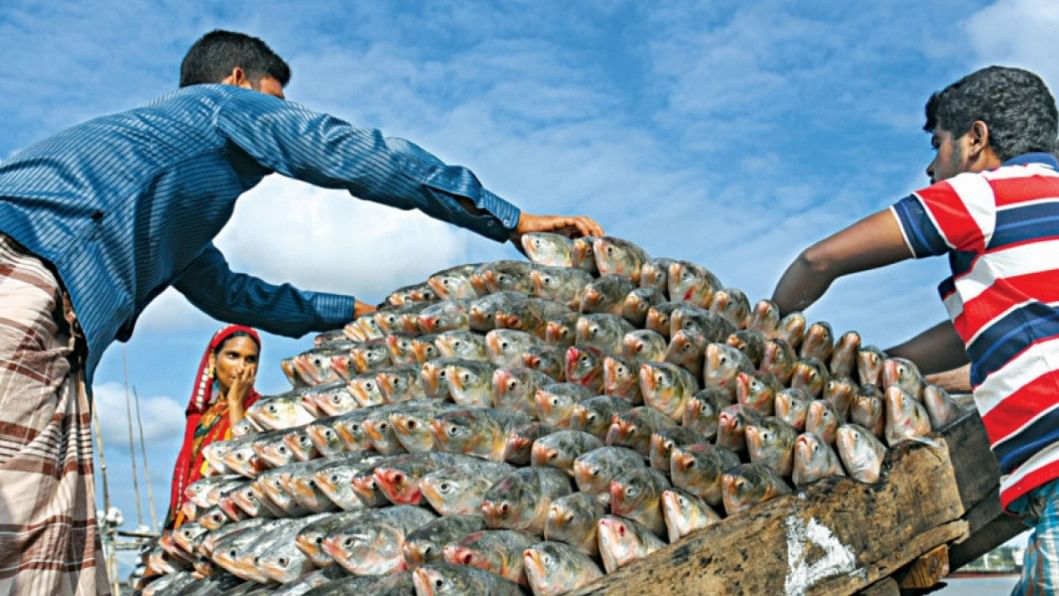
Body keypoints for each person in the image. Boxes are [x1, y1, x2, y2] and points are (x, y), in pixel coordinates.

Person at [0, 29, 603, 593]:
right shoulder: (222, 105)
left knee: (51, 546)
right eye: (276, 102)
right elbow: (346, 150)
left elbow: (231, 295)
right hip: (24, 287)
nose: (279, 119)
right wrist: (506, 217)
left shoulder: (156, 186)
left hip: (32, 291)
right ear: (239, 79)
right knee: (29, 545)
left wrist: (352, 313)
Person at [771, 65, 1059, 594]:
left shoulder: (984, 195)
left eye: (938, 144)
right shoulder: (1045, 210)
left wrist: (769, 330)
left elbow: (819, 260)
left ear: (976, 139)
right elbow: (978, 333)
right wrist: (880, 364)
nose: (931, 166)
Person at [166, 325, 261, 530]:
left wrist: (236, 404)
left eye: (250, 359)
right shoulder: (204, 417)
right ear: (212, 361)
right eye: (233, 356)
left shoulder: (262, 412)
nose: (241, 367)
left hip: (232, 524)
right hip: (194, 523)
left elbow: (244, 461)